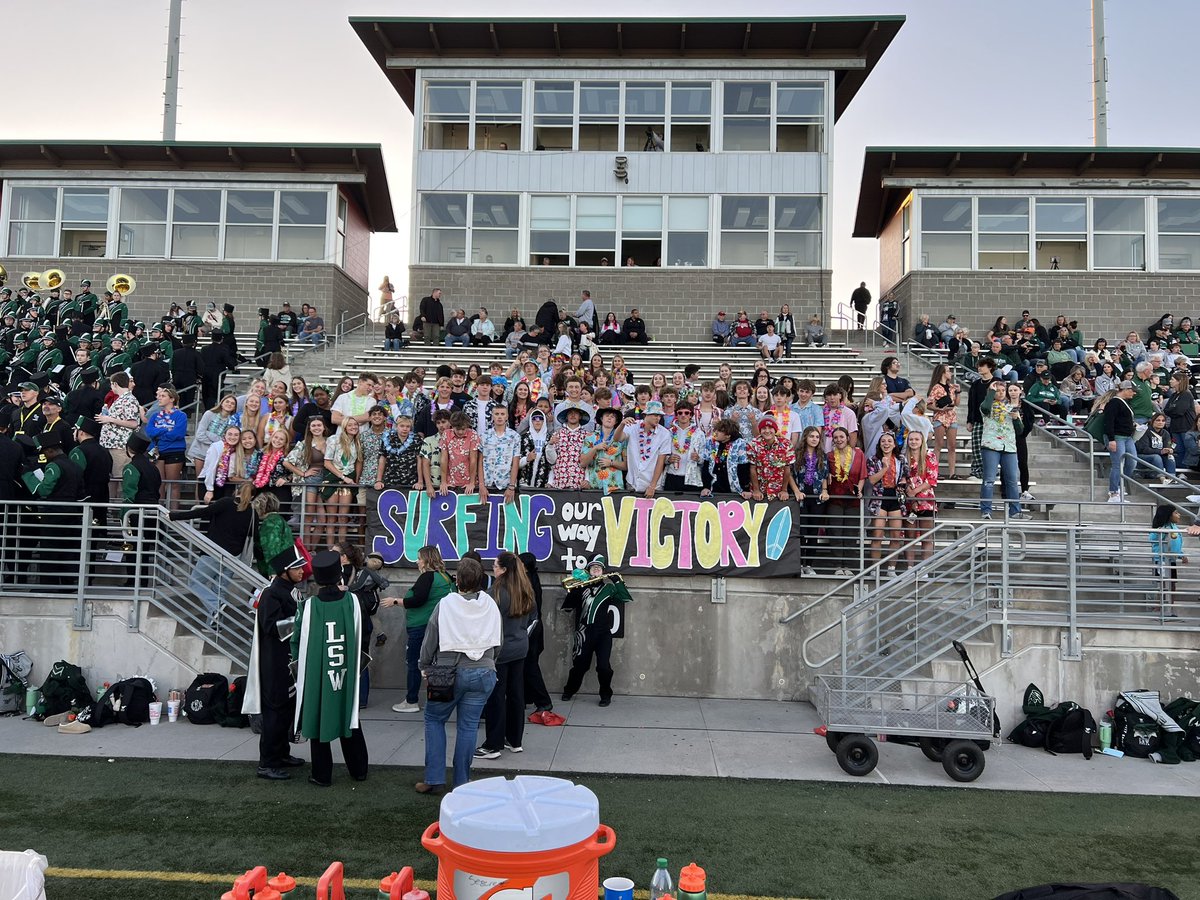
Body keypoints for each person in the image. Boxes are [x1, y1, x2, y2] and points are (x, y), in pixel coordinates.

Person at [416, 556, 501, 795]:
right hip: (484, 671)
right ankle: (462, 782)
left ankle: (434, 779)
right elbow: (499, 641)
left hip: (446, 671)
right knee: (469, 726)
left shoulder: (445, 604)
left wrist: (424, 664)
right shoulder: (490, 604)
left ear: (457, 580)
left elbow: (430, 638)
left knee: (434, 719)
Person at [292, 550, 369, 787]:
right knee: (349, 715)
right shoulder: (353, 601)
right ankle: (359, 770)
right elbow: (365, 631)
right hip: (345, 669)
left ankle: (322, 774)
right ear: (339, 575)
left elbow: (296, 641)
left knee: (318, 717)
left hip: (317, 673)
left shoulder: (308, 606)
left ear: (316, 578)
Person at [242, 545, 308, 781]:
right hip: (274, 663)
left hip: (287, 661)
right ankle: (267, 763)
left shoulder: (290, 590)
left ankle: (281, 754)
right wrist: (301, 621)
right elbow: (270, 626)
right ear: (284, 571)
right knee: (275, 713)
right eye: (297, 568)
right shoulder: (271, 593)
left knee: (286, 710)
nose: (302, 571)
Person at [475, 551, 536, 759]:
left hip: (500, 651)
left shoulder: (495, 592)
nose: (493, 568)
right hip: (520, 647)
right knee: (516, 694)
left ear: (503, 569)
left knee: (496, 697)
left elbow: (483, 622)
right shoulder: (525, 588)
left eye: (495, 565)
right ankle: (514, 740)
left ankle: (493, 745)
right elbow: (533, 619)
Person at [385, 546, 453, 714]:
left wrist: (396, 601)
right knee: (437, 664)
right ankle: (439, 698)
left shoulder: (427, 577)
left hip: (421, 626)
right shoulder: (445, 577)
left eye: (419, 558)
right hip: (439, 626)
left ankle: (411, 700)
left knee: (414, 663)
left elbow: (418, 599)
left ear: (427, 560)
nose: (417, 561)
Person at [561, 555, 632, 707]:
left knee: (604, 667)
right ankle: (569, 690)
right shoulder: (581, 587)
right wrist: (575, 589)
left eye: (599, 567)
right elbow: (567, 608)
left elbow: (625, 598)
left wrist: (617, 581)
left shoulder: (609, 588)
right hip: (584, 633)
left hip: (603, 634)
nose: (596, 569)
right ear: (588, 570)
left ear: (603, 571)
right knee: (580, 666)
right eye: (593, 567)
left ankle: (605, 695)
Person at [978, 380, 1028, 521]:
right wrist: (991, 391)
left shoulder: (1011, 407)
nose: (1000, 393)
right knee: (989, 479)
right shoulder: (986, 404)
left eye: (1002, 390)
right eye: (997, 391)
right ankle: (986, 510)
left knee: (1012, 480)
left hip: (1009, 446)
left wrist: (1016, 419)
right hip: (991, 445)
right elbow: (985, 409)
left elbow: (1020, 430)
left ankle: (1015, 511)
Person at [1104, 380, 1139, 503]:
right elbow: (1108, 421)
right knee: (1117, 464)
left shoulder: (1124, 402)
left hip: (1127, 437)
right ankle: (1113, 492)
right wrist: (1111, 439)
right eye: (1132, 391)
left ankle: (1118, 486)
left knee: (1132, 462)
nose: (1134, 393)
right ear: (1125, 390)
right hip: (1117, 437)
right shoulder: (1114, 403)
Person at [927, 364, 960, 480]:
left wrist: (958, 392)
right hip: (940, 417)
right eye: (948, 371)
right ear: (943, 373)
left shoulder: (951, 387)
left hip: (951, 416)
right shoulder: (936, 387)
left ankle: (952, 473)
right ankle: (934, 472)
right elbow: (929, 405)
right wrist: (940, 409)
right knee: (938, 444)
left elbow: (956, 403)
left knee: (952, 446)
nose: (950, 373)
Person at [1136, 412, 1177, 484]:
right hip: (1142, 457)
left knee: (1170, 457)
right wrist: (1160, 451)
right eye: (1158, 420)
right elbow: (1143, 449)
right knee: (1156, 457)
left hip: (1159, 457)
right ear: (1152, 421)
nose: (1160, 422)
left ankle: (1172, 478)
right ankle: (1162, 478)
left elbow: (1169, 444)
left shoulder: (1166, 433)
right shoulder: (1145, 431)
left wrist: (1169, 449)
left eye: (1163, 421)